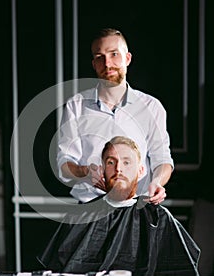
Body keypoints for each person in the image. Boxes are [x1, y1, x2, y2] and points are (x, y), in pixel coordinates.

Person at [39, 136, 200, 276]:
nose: (118, 169)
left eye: (126, 162)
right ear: (102, 170)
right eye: (111, 162)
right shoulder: (79, 216)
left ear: (141, 170)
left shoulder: (158, 218)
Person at [57, 28, 174, 204]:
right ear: (94, 64)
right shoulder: (77, 105)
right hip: (90, 210)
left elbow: (162, 158)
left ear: (127, 58)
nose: (107, 63)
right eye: (99, 57)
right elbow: (64, 163)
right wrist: (85, 172)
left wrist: (156, 182)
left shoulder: (151, 107)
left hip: (137, 208)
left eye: (114, 54)